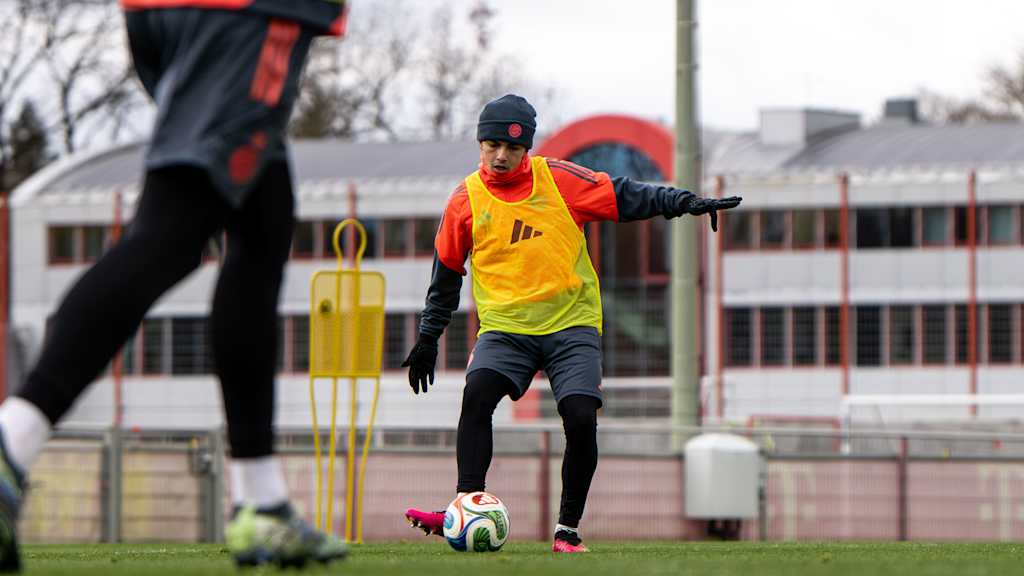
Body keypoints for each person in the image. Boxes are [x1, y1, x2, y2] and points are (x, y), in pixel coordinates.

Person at [0, 0, 350, 571]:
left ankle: (261, 499)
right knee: (172, 232)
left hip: (161, 12)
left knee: (262, 222)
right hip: (243, 14)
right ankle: (13, 439)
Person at [402, 94, 742, 553]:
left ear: (528, 149)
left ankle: (567, 530)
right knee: (477, 394)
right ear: (479, 144)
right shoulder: (465, 201)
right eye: (491, 145)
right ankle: (465, 506)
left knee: (580, 416)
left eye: (512, 147)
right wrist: (427, 338)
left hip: (571, 327)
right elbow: (445, 279)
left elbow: (625, 194)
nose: (501, 156)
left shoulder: (558, 179)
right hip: (506, 330)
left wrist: (684, 201)